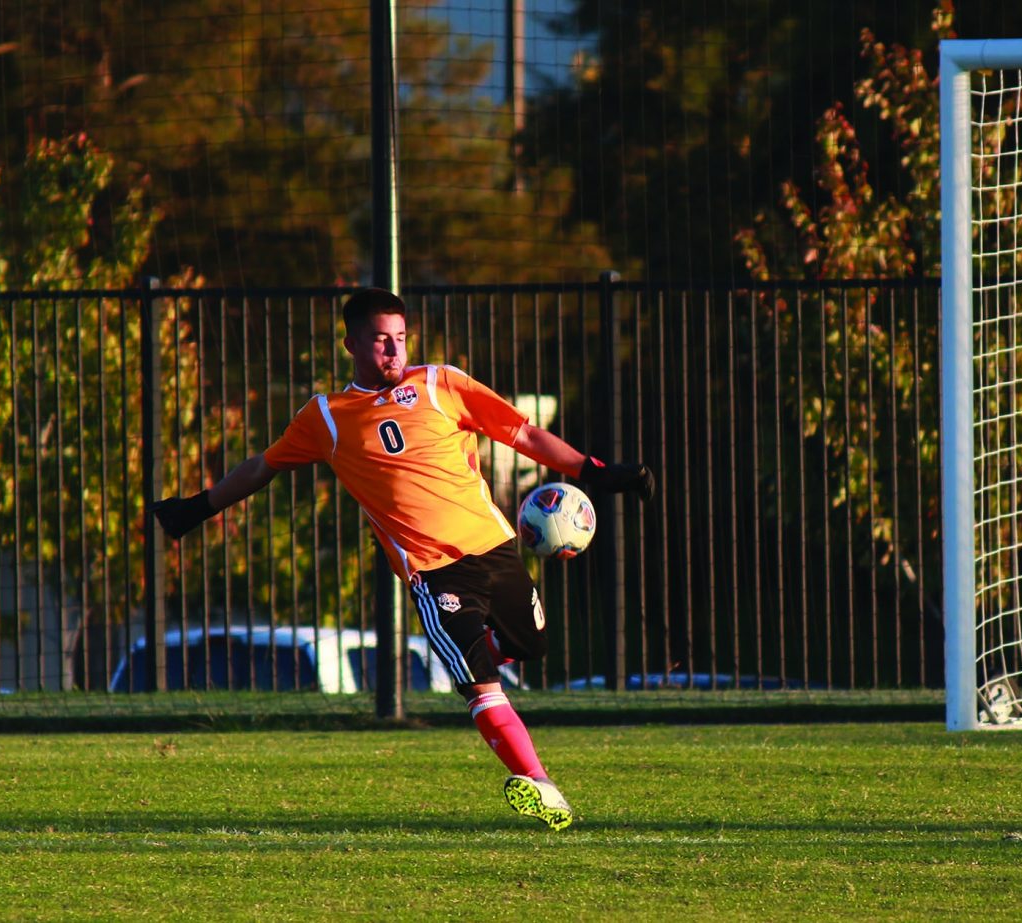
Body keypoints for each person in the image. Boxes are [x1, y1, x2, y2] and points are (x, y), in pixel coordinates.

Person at [151, 287, 654, 831]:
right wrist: (198, 507)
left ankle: (480, 661)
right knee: (481, 686)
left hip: (495, 547)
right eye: (380, 341)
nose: (394, 351)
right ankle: (542, 787)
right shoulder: (327, 417)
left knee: (532, 644)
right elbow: (261, 467)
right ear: (350, 344)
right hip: (435, 574)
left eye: (400, 339)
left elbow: (523, 432)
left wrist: (596, 472)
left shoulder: (442, 383)